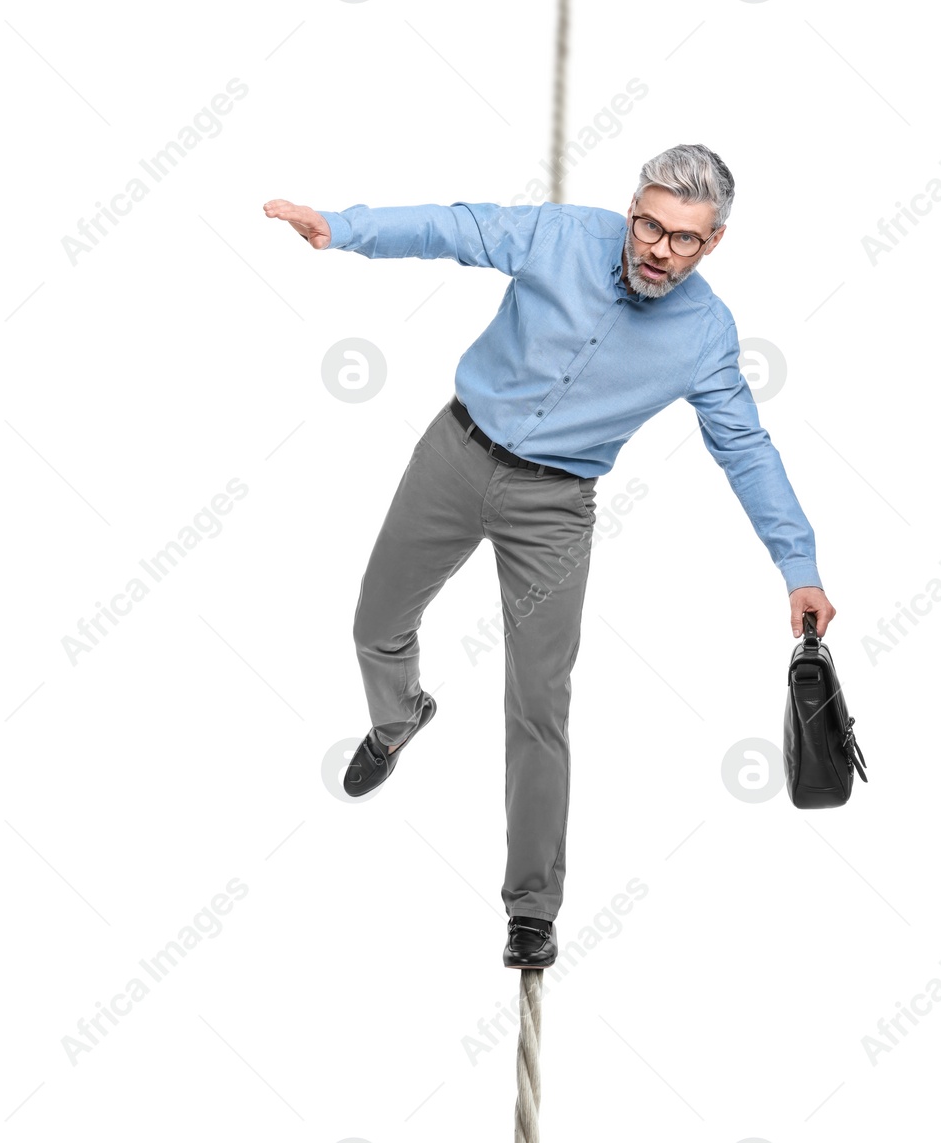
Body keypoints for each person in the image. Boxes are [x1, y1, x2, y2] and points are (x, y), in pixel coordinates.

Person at [264, 143, 834, 969]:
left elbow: (745, 447)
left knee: (539, 705)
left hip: (555, 508)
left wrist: (800, 563)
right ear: (631, 208)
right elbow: (455, 229)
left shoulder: (707, 335)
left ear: (713, 244)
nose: (655, 248)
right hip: (454, 455)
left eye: (682, 237)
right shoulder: (564, 236)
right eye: (647, 223)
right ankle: (398, 718)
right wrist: (344, 228)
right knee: (375, 625)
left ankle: (531, 905)